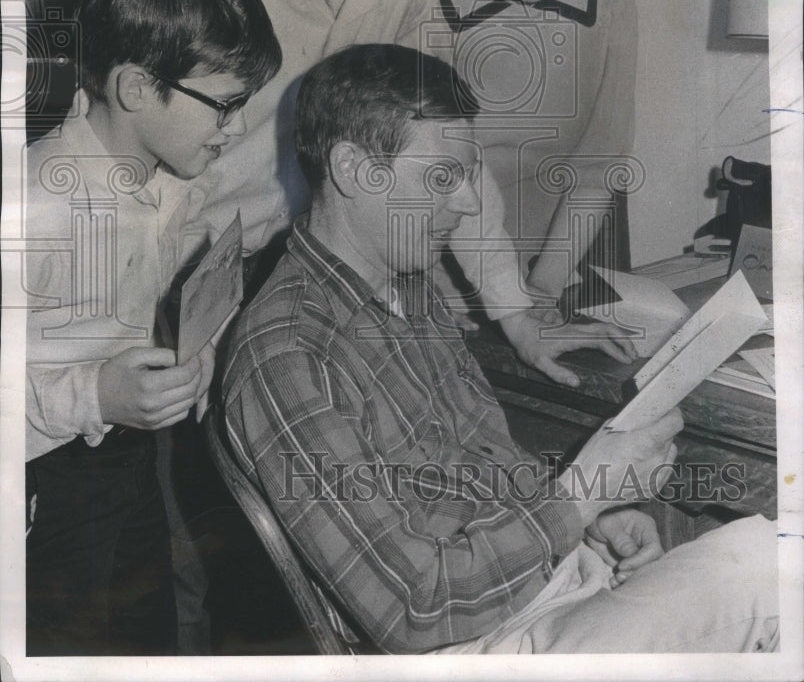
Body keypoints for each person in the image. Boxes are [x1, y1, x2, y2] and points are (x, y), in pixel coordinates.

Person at [222, 43, 778, 655]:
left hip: (544, 590)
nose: (466, 202)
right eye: (443, 177)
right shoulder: (291, 356)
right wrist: (579, 495)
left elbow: (481, 466)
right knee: (768, 568)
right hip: (467, 648)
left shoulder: (407, 286)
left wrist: (586, 522)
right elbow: (415, 609)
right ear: (354, 168)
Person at [170, 0, 631, 387]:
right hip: (150, 300)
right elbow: (118, 177)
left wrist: (518, 312)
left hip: (274, 291)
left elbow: (448, 160)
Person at [25, 0, 282, 654]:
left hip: (126, 467)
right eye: (226, 107)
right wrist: (95, 396)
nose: (236, 131)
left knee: (144, 640)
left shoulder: (166, 177)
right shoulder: (36, 208)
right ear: (138, 89)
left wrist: (186, 355)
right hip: (39, 489)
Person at [431, 0, 637, 306]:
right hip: (421, 284)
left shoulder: (609, 1)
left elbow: (596, 168)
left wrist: (542, 291)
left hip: (541, 280)